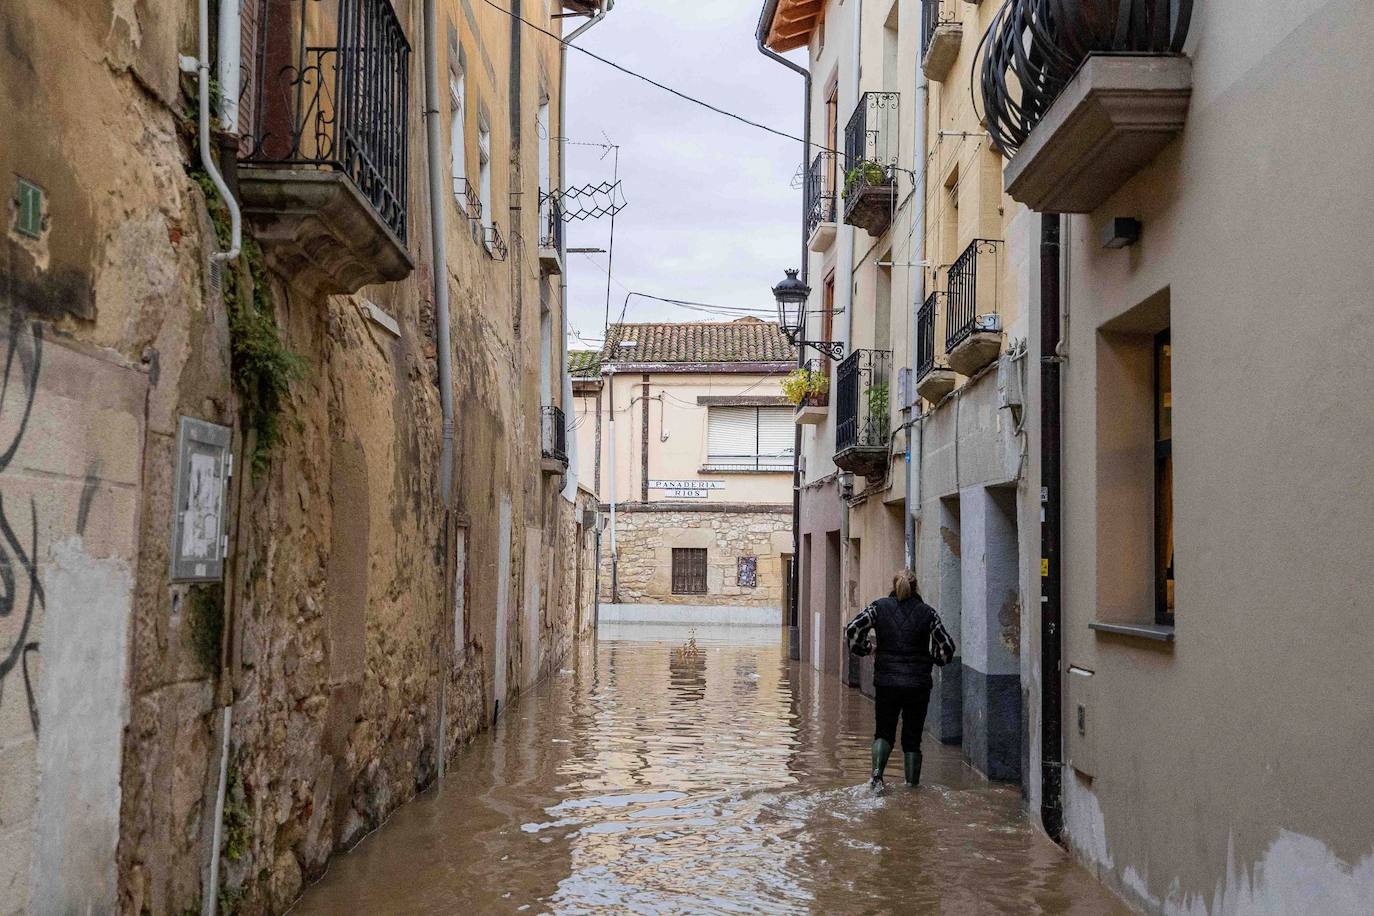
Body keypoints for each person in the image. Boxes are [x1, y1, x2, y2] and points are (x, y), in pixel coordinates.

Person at [844, 569, 938, 791]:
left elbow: (852, 629)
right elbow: (946, 647)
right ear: (915, 588)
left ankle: (877, 776)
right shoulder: (928, 613)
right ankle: (912, 789)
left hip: (887, 682)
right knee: (912, 737)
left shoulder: (879, 607)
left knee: (884, 731)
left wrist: (867, 649)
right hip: (918, 685)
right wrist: (931, 659)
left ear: (894, 586)